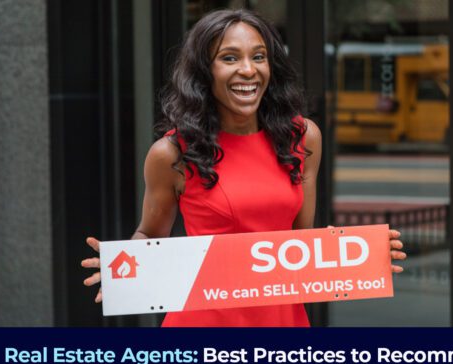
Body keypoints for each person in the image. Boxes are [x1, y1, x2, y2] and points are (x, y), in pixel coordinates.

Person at [81, 8, 406, 327]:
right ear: (204, 71)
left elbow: (301, 242)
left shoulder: (303, 138)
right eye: (230, 58)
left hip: (283, 322)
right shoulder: (171, 154)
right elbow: (150, 234)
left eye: (259, 56)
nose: (248, 70)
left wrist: (355, 254)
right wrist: (121, 270)